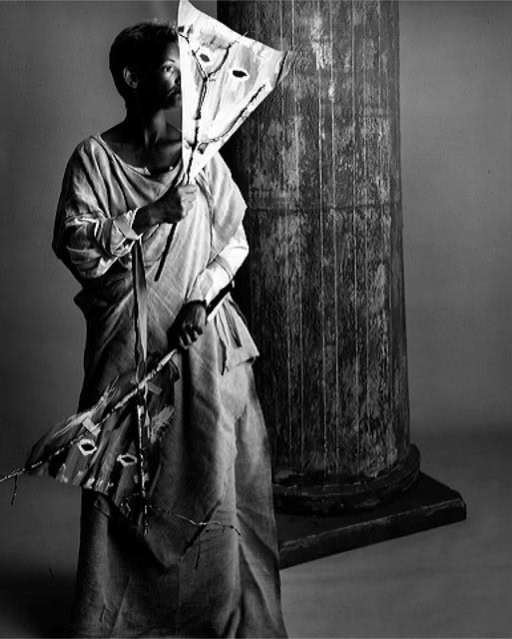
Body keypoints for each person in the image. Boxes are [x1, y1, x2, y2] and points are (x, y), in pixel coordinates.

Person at [53, 21, 288, 638]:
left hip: (202, 346)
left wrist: (201, 301)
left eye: (181, 66)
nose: (180, 78)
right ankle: (116, 617)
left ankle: (216, 611)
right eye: (166, 67)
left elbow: (234, 243)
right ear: (131, 79)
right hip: (127, 352)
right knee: (123, 473)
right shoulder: (94, 160)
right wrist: (148, 214)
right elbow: (75, 245)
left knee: (219, 465)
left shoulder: (200, 156)